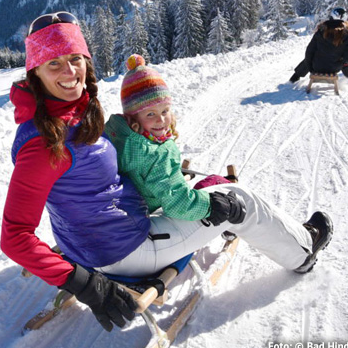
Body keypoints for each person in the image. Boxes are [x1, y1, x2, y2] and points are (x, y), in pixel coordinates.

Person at [1, 12, 332, 334]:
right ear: (36, 73)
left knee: (189, 189)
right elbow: (14, 237)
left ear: (87, 61)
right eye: (54, 63)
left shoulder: (76, 110)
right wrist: (85, 284)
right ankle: (303, 250)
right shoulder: (44, 144)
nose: (69, 70)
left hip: (95, 240)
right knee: (238, 200)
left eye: (75, 58)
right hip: (124, 250)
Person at [104, 54, 244, 225]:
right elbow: (178, 204)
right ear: (133, 116)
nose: (161, 120)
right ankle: (230, 222)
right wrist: (213, 206)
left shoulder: (116, 133)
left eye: (165, 111)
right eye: (150, 114)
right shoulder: (157, 154)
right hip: (152, 218)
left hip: (125, 211)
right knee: (216, 183)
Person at [289, 7, 348, 84]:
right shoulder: (347, 34)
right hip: (334, 68)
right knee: (346, 63)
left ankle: (294, 78)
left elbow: (310, 50)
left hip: (317, 66)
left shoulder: (321, 30)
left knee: (309, 58)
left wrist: (310, 67)